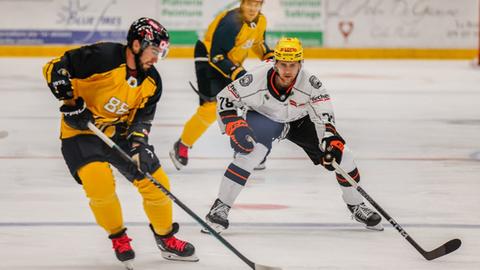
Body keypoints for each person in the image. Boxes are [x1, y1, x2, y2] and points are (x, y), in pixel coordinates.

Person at [42, 17, 198, 267]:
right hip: (81, 134)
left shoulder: (152, 82)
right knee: (99, 185)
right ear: (136, 44)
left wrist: (139, 145)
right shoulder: (102, 57)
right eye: (154, 51)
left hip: (120, 133)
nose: (156, 58)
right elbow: (55, 68)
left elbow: (142, 120)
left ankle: (166, 237)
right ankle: (118, 237)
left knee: (157, 183)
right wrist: (69, 102)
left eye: (161, 53)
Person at [203, 37, 384, 234]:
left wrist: (331, 140)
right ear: (275, 63)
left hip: (300, 121)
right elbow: (225, 99)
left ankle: (356, 205)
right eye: (283, 65)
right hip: (263, 118)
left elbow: (324, 115)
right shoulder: (256, 78)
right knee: (250, 154)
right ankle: (220, 208)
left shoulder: (311, 83)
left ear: (300, 64)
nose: (287, 70)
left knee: (344, 155)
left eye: (293, 65)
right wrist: (235, 125)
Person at [169, 0, 274, 171]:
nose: (253, 8)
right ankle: (182, 145)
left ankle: (243, 148)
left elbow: (258, 43)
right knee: (211, 108)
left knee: (248, 101)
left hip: (229, 62)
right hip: (208, 58)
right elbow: (216, 56)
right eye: (250, 4)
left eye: (257, 4)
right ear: (242, 3)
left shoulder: (261, 21)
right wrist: (238, 73)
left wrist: (270, 58)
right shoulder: (231, 23)